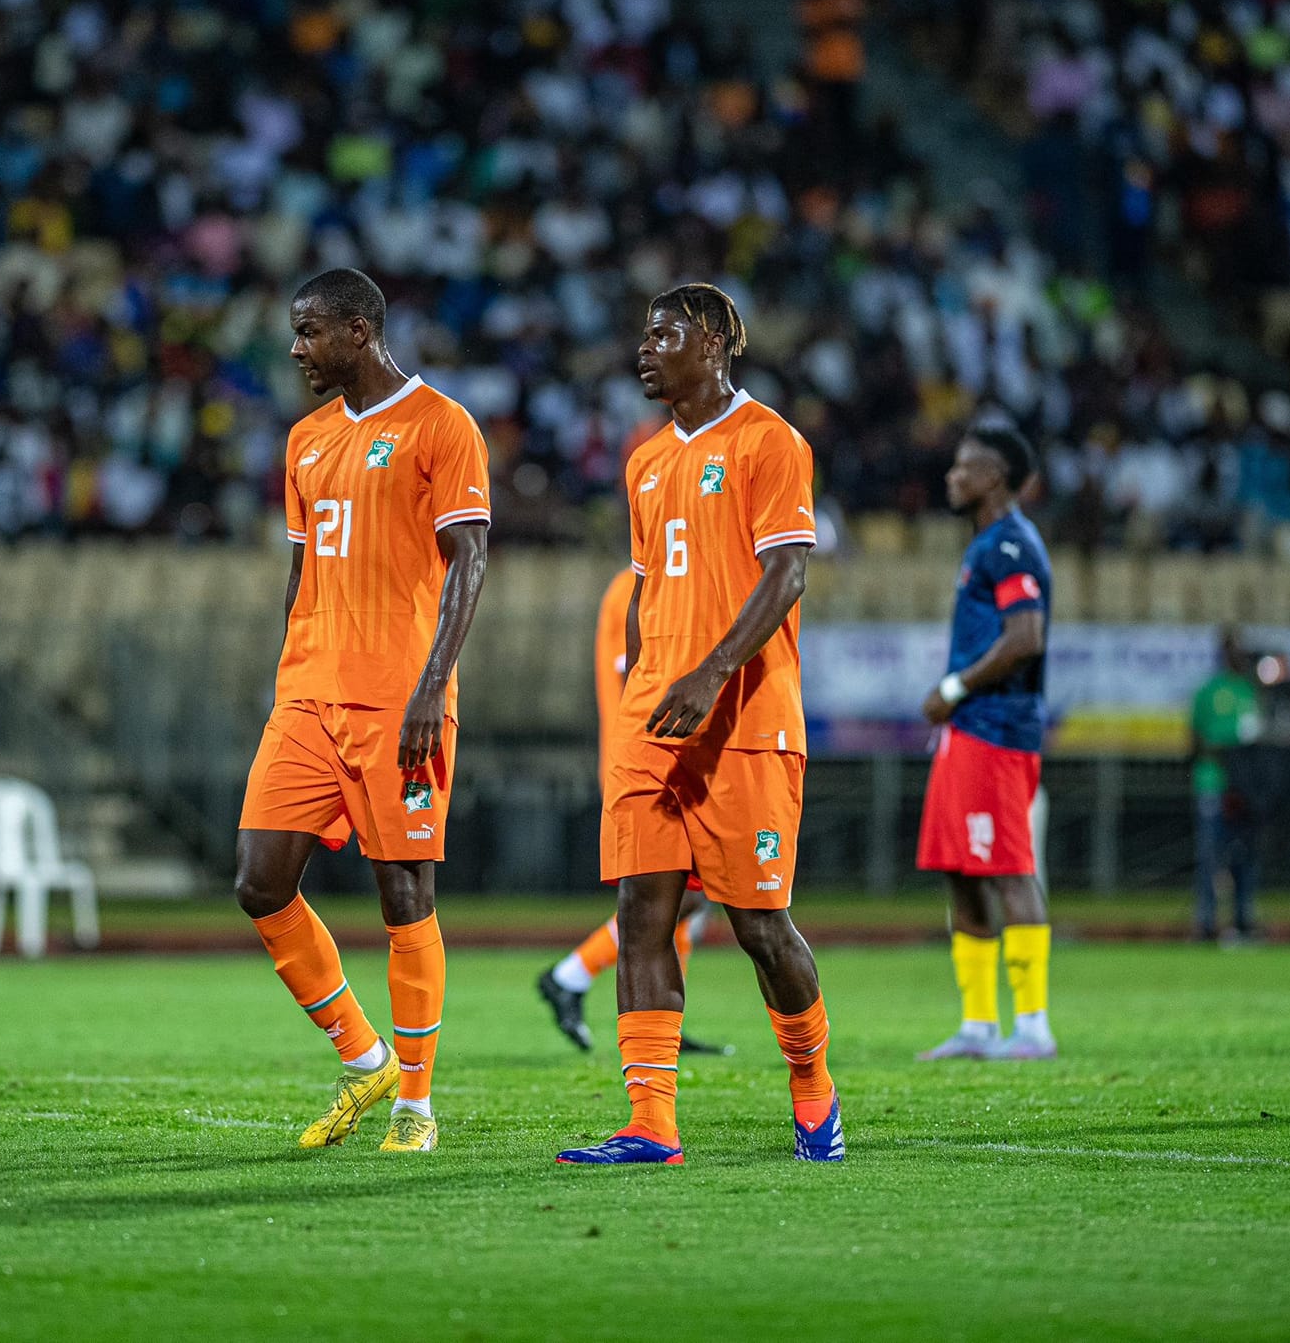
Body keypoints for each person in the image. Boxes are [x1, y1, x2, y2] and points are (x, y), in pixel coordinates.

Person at [557, 283, 840, 1165]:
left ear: (714, 342)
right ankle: (650, 1122)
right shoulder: (644, 462)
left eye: (664, 334)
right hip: (658, 719)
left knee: (761, 925)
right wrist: (649, 683)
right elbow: (645, 590)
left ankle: (813, 1087)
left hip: (748, 719)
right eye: (642, 335)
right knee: (644, 909)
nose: (645, 350)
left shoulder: (769, 441)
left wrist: (714, 668)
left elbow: (788, 571)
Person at [234, 268, 491, 1154]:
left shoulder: (441, 424)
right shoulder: (304, 440)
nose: (297, 349)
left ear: (358, 330)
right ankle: (362, 1052)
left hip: (398, 696)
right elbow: (301, 573)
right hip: (308, 692)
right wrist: (285, 668)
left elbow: (469, 559)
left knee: (404, 894)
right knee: (259, 880)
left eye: (309, 332)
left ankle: (414, 1103)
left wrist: (432, 683)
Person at [915, 412, 1057, 1063]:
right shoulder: (986, 544)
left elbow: (1025, 639)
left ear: (996, 476)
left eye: (965, 465)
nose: (952, 474)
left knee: (1008, 867)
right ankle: (978, 1025)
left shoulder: (1010, 544)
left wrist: (953, 689)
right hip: (969, 731)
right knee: (959, 870)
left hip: (997, 729)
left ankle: (1032, 1025)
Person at [535, 568, 718, 1055]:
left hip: (659, 755)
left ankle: (667, 1024)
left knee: (685, 891)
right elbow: (638, 675)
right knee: (679, 895)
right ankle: (570, 974)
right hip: (647, 758)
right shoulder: (634, 588)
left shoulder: (653, 580)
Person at [1190, 629, 1264, 941]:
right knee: (1210, 855)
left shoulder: (1250, 691)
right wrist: (1229, 755)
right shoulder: (1208, 691)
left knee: (1245, 855)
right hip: (1213, 783)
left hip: (1243, 790)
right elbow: (1194, 740)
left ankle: (1243, 919)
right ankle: (1206, 922)